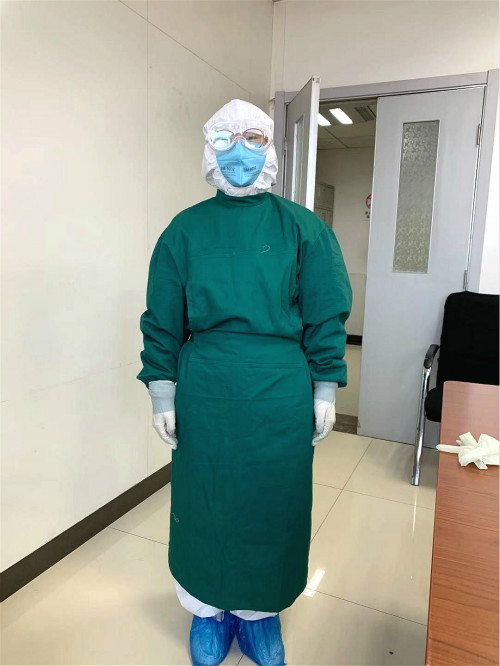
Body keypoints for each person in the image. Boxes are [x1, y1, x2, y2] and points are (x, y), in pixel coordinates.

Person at [138, 99, 352, 666]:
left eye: (253, 139)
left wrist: (325, 386)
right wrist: (162, 390)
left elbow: (326, 312)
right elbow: (162, 317)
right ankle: (206, 610)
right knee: (206, 501)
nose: (239, 152)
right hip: (205, 390)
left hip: (280, 393)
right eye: (226, 139)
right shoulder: (184, 231)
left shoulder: (303, 229)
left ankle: (260, 615)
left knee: (272, 502)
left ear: (270, 149)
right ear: (209, 148)